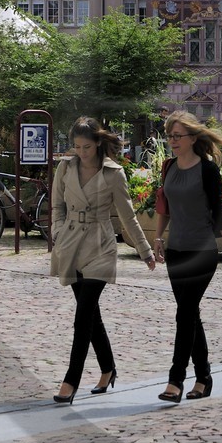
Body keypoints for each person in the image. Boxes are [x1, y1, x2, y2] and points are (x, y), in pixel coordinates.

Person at [49, 117, 156, 405]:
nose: (81, 152)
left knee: (83, 315)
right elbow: (57, 205)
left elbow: (127, 216)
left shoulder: (113, 173)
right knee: (90, 314)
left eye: (86, 147)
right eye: (76, 147)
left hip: (100, 246)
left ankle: (71, 380)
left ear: (97, 143)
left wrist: (145, 250)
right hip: (71, 244)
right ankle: (108, 369)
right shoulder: (65, 168)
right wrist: (57, 232)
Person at [153, 112, 222, 402]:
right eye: (170, 136)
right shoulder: (169, 167)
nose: (172, 141)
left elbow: (218, 210)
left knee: (185, 313)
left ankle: (175, 380)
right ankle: (203, 377)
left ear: (192, 138)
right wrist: (158, 238)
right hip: (176, 250)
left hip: (202, 251)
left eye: (177, 136)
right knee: (189, 313)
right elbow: (164, 206)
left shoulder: (208, 170)